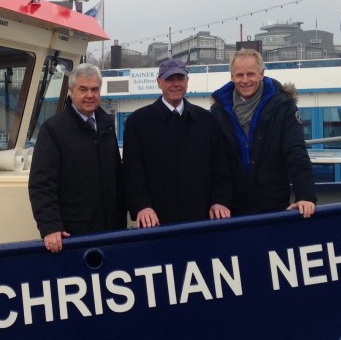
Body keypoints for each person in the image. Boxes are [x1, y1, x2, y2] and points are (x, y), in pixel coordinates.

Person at [123, 59, 232, 228]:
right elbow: (133, 172)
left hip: (201, 220)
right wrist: (142, 206)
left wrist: (219, 200)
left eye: (180, 79)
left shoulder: (207, 120)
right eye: (169, 79)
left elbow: (221, 169)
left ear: (187, 80)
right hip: (156, 222)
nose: (175, 84)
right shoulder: (137, 122)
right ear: (159, 82)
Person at [28, 63, 125, 253]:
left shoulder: (106, 125)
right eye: (83, 89)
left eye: (95, 89)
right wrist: (50, 226)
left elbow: (117, 175)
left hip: (111, 230)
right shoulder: (53, 130)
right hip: (74, 234)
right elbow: (41, 183)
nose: (90, 95)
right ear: (71, 91)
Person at [210, 48, 316, 218]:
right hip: (231, 210)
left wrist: (305, 196)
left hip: (273, 207)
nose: (245, 80)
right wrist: (218, 200)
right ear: (231, 77)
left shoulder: (283, 107)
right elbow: (216, 163)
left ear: (261, 74)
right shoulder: (218, 112)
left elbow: (296, 153)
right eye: (239, 75)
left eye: (250, 74)